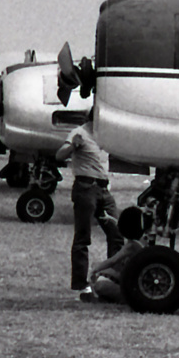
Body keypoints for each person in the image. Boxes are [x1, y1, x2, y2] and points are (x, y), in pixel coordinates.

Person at [54, 117, 123, 298]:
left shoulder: (105, 136)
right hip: (86, 187)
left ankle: (111, 278)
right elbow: (59, 155)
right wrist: (72, 147)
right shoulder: (80, 133)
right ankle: (80, 284)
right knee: (83, 236)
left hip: (103, 188)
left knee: (116, 233)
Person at [82, 207, 149, 303]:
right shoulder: (142, 241)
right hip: (133, 280)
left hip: (133, 289)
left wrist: (94, 270)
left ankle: (108, 298)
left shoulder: (131, 246)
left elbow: (113, 260)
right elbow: (123, 225)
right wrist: (111, 220)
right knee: (103, 271)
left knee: (100, 284)